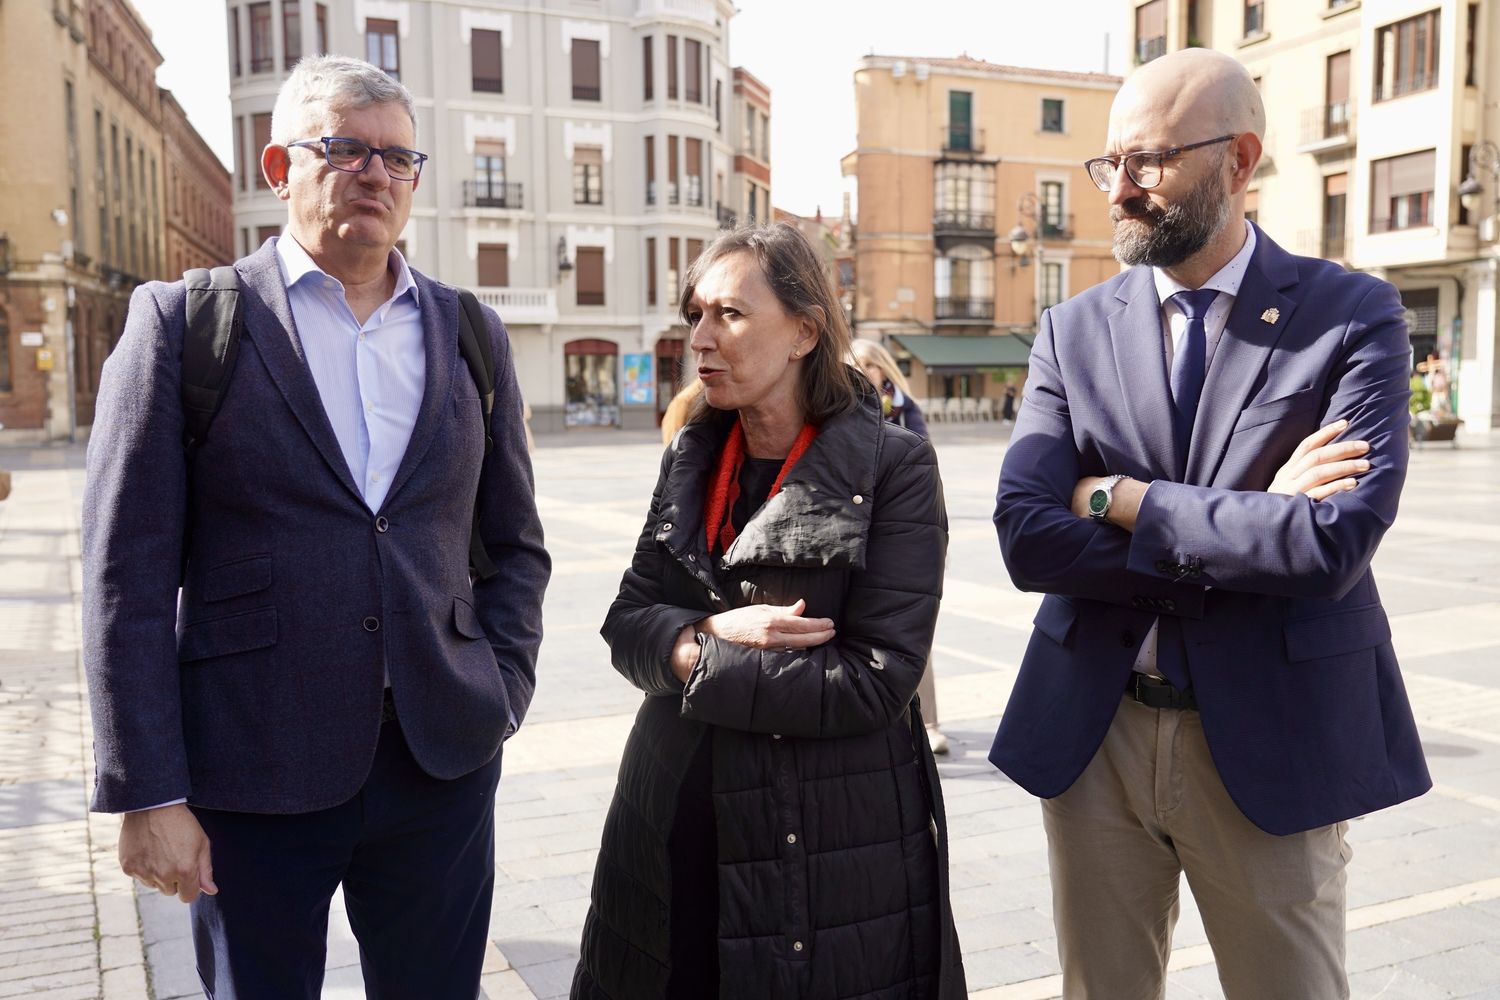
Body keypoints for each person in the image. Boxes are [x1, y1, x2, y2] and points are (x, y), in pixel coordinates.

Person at [81, 55, 550, 998]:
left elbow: (515, 543)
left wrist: (500, 688)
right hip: (253, 766)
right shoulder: (185, 326)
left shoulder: (469, 332)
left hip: (439, 758)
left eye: (397, 158)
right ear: (278, 166)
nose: (374, 173)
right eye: (343, 149)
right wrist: (146, 791)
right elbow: (124, 574)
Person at [990, 48, 1429, 998]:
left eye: (1149, 160)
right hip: (1097, 736)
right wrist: (1253, 520)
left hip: (1273, 744)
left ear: (1240, 159)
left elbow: (1330, 545)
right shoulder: (1072, 330)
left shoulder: (1351, 317)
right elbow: (1025, 533)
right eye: (1111, 164)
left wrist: (1121, 498)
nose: (1121, 188)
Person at [573, 224, 965, 999]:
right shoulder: (692, 451)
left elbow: (876, 681)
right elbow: (625, 621)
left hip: (826, 841)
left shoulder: (894, 468)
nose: (701, 339)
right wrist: (707, 638)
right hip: (668, 821)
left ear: (804, 332)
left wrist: (688, 654)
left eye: (730, 315)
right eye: (695, 315)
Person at [850, 338, 949, 754]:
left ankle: (928, 723)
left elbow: (926, 465)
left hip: (906, 527)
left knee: (913, 626)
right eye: (858, 364)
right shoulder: (839, 409)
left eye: (873, 364)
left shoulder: (906, 410)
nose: (867, 371)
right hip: (859, 529)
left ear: (885, 368)